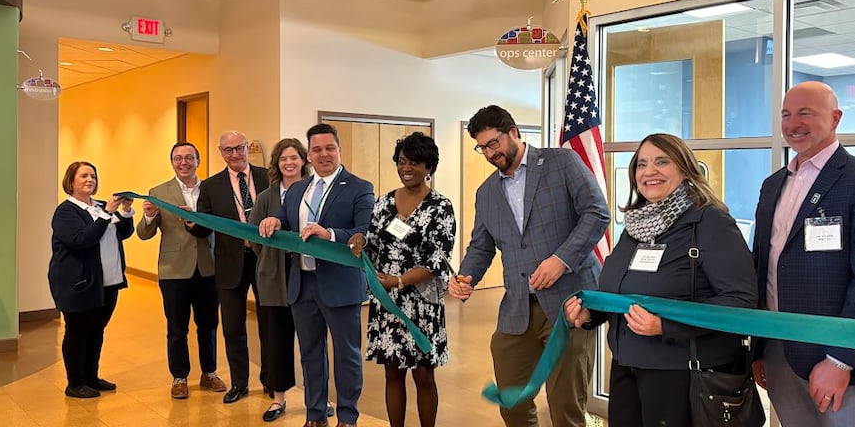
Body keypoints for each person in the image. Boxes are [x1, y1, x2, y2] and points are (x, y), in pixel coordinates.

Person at [563, 133, 758, 426]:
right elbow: (619, 290)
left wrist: (666, 326)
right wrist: (591, 313)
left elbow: (740, 302)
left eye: (661, 162)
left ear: (684, 168)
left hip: (682, 374)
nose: (649, 171)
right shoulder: (634, 228)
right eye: (641, 164)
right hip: (627, 367)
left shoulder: (710, 222)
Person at [751, 81, 855, 427]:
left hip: (841, 358)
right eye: (786, 115)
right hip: (779, 350)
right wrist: (761, 348)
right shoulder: (773, 185)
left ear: (836, 118)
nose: (793, 124)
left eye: (806, 113)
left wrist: (840, 360)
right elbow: (765, 265)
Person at [448, 105, 609, 427]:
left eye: (494, 143)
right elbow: (481, 245)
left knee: (565, 405)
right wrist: (465, 276)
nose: (490, 153)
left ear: (514, 133)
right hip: (518, 306)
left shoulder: (560, 163)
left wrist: (560, 260)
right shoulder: (487, 192)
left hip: (571, 302)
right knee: (512, 401)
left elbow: (597, 212)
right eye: (482, 147)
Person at [258, 123, 373, 427]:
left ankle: (347, 417)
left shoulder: (360, 188)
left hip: (340, 286)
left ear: (339, 149)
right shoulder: (297, 189)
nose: (323, 155)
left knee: (346, 355)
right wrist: (273, 221)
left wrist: (331, 234)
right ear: (309, 153)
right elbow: (284, 220)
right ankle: (315, 415)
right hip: (302, 285)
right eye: (317, 149)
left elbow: (366, 232)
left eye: (329, 148)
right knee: (310, 354)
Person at [365, 132, 455, 427]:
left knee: (423, 374)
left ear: (429, 166)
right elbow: (373, 245)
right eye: (402, 161)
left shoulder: (440, 207)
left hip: (421, 301)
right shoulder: (383, 203)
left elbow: (437, 259)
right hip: (388, 301)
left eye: (414, 162)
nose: (406, 168)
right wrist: (358, 244)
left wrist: (399, 280)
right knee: (392, 371)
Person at [136, 142, 226, 399]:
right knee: (177, 327)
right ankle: (179, 377)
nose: (183, 162)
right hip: (173, 270)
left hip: (208, 267)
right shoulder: (158, 192)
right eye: (178, 158)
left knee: (208, 324)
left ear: (198, 161)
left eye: (189, 157)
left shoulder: (210, 190)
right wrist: (150, 216)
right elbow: (144, 234)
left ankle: (209, 372)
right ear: (172, 162)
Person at [189, 131, 270, 404]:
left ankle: (271, 380)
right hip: (229, 263)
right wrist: (192, 223)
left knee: (270, 323)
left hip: (265, 260)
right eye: (228, 150)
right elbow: (203, 228)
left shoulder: (267, 177)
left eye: (239, 148)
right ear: (221, 153)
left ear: (248, 148)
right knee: (233, 327)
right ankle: (239, 383)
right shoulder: (211, 186)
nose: (234, 154)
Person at [49, 161, 134, 399]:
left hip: (107, 282)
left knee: (96, 330)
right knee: (77, 332)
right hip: (79, 283)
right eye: (84, 176)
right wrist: (106, 214)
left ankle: (90, 377)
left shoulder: (99, 205)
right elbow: (81, 240)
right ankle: (75, 383)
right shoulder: (66, 211)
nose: (90, 180)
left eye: (93, 176)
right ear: (71, 181)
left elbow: (123, 232)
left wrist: (125, 211)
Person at [248, 138, 307, 422]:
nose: (289, 163)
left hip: (306, 276)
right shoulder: (265, 197)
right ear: (276, 164)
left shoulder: (313, 192)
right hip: (273, 277)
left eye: (294, 157)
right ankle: (278, 398)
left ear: (303, 161)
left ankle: (315, 398)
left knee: (311, 341)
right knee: (276, 340)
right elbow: (254, 238)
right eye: (284, 158)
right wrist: (272, 260)